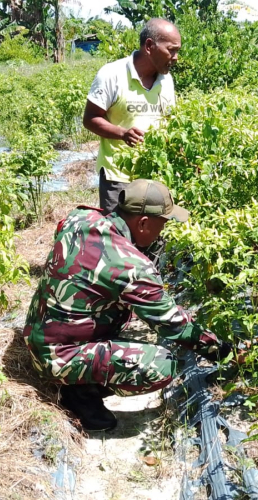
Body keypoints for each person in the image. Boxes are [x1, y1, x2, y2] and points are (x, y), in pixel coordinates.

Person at [22, 179, 230, 431]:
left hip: (37, 334)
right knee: (162, 365)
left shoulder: (80, 218)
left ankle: (79, 377)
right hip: (56, 357)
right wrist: (225, 353)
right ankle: (79, 394)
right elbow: (174, 326)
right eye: (161, 224)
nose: (162, 232)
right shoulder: (130, 265)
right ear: (143, 223)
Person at [83, 18, 181, 212]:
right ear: (149, 46)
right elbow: (90, 118)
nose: (176, 57)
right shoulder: (112, 74)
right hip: (118, 177)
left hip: (155, 175)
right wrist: (123, 133)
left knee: (153, 238)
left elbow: (170, 123)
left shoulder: (166, 80)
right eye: (171, 50)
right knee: (118, 236)